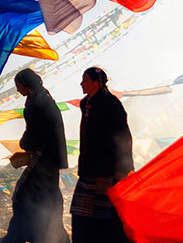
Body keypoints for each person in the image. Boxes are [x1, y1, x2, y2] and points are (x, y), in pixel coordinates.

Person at [1, 69, 70, 243]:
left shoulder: (40, 103)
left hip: (45, 158)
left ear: (26, 85)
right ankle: (28, 235)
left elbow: (37, 131)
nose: (18, 91)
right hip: (46, 157)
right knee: (37, 198)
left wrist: (25, 144)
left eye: (19, 86)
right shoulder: (38, 99)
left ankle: (27, 236)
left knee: (27, 196)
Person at [71, 67, 133, 242]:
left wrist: (123, 168)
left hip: (108, 168)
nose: (81, 83)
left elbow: (123, 137)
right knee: (81, 213)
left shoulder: (110, 103)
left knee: (107, 216)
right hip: (89, 168)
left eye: (85, 79)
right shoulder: (85, 103)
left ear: (96, 82)